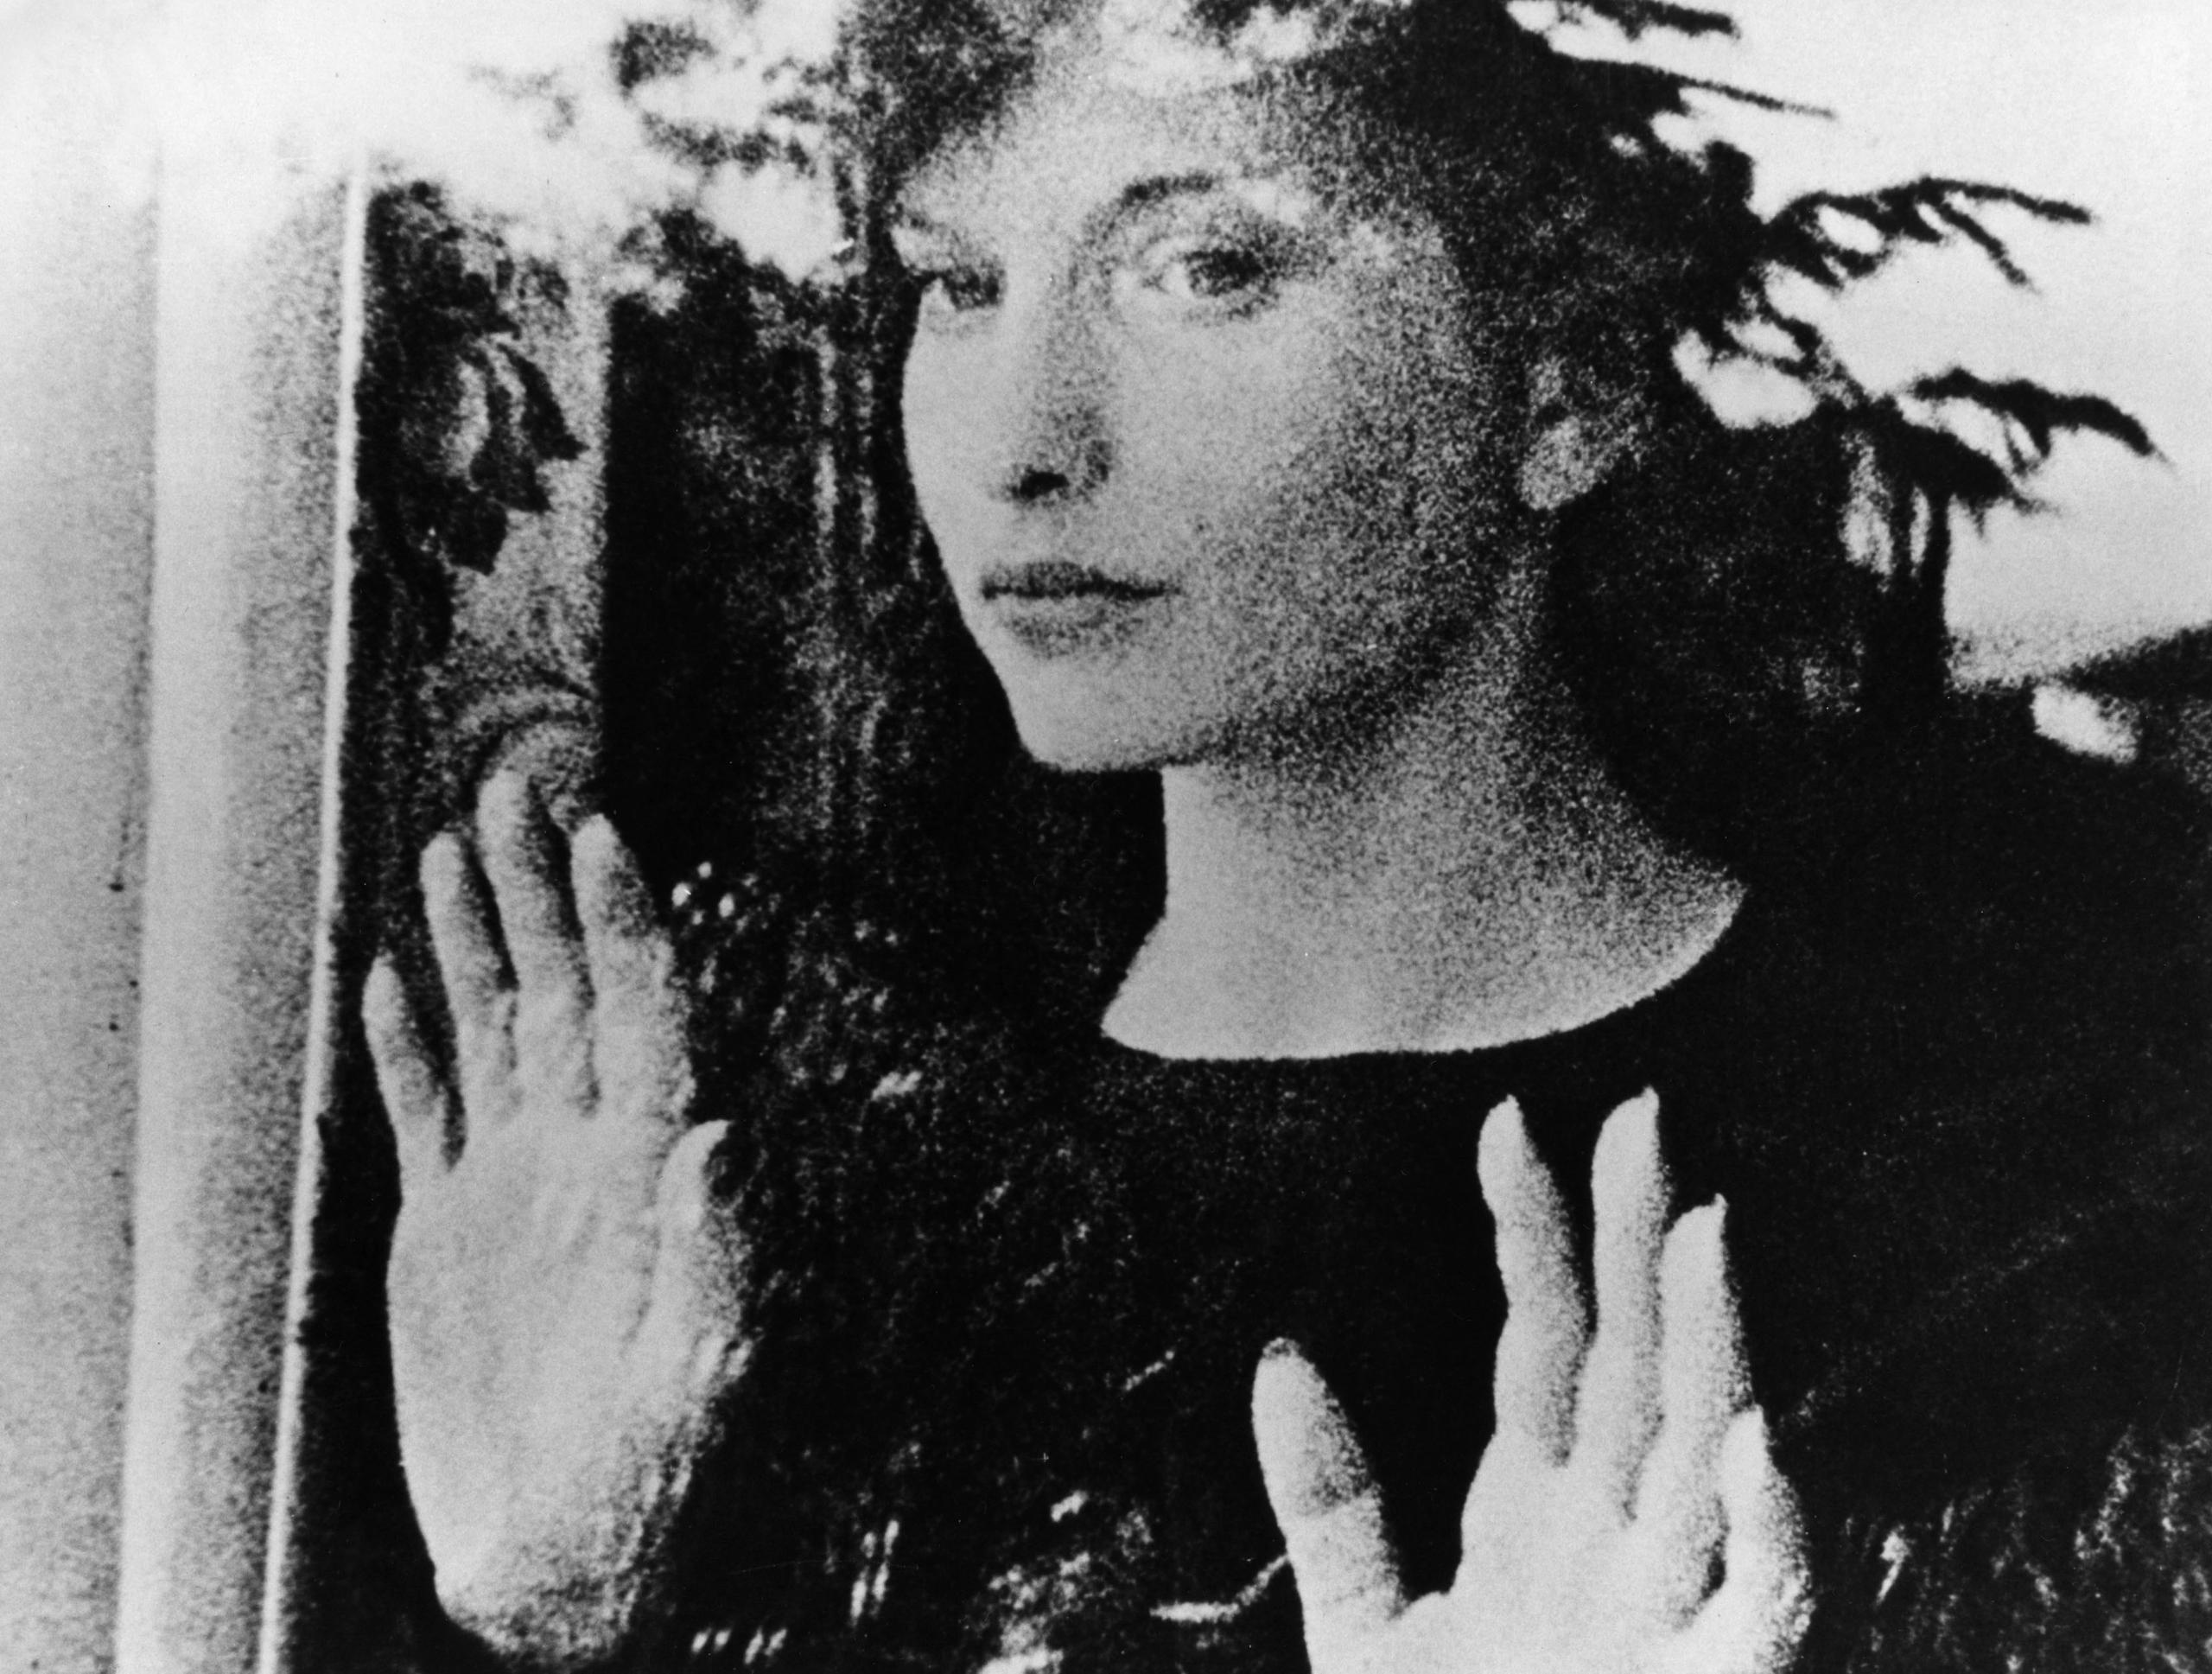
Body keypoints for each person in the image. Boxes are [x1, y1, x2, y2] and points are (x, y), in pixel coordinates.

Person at [362, 1, 2212, 1670]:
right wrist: (565, 1608)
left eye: (1207, 267)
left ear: (1563, 391)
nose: (1019, 444)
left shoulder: (2035, 1163)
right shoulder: (764, 1151)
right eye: (959, 282)